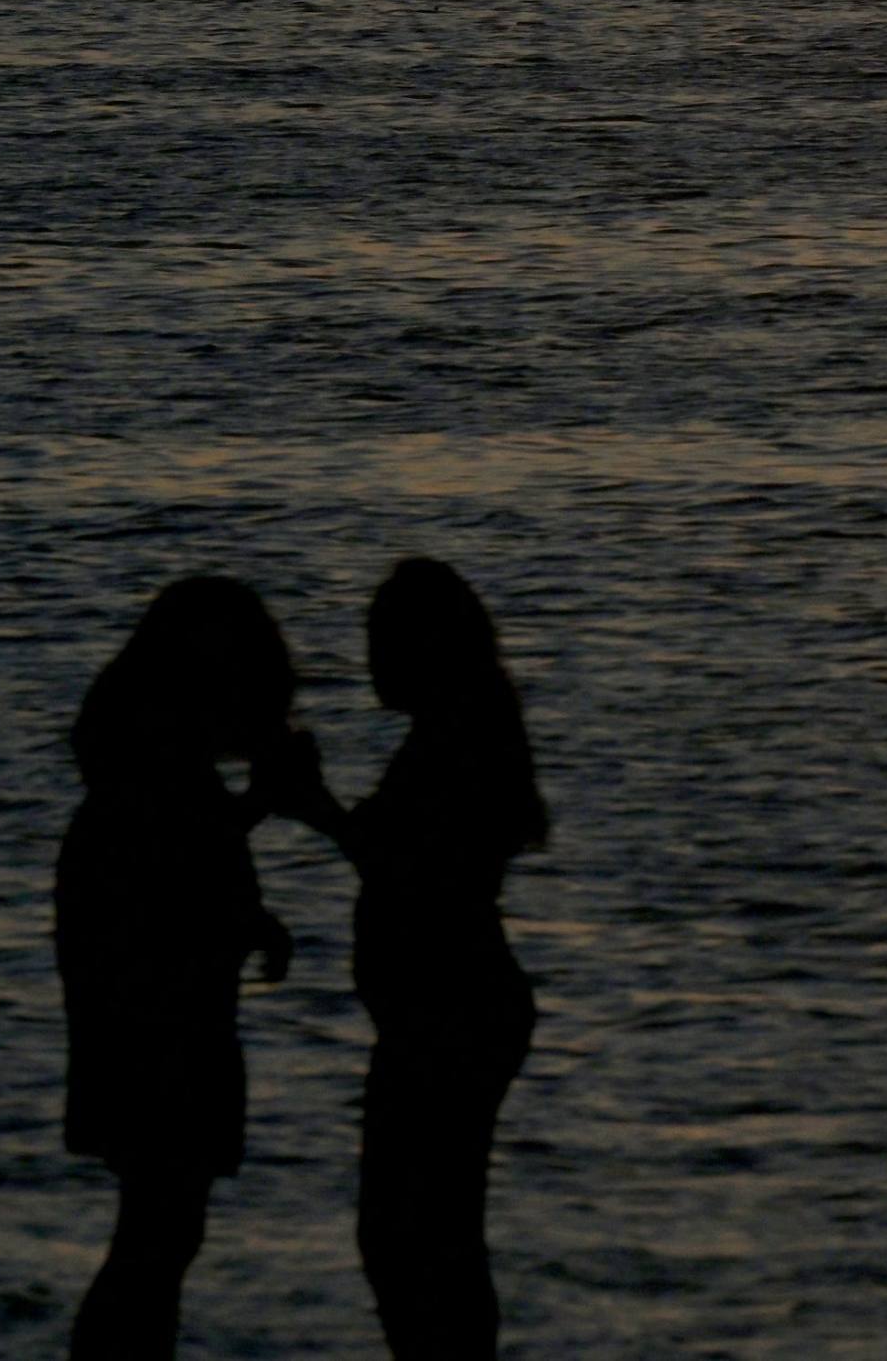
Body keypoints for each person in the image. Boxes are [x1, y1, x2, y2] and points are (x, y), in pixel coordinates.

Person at [263, 560, 550, 1360]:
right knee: (425, 1236)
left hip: (448, 1014)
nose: (369, 662)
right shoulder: (457, 733)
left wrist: (316, 805)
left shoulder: (454, 743)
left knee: (412, 1237)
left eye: (381, 643)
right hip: (446, 1009)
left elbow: (409, 870)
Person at [55, 574, 300, 1361]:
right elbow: (178, 879)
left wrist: (249, 903)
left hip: (151, 1019)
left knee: (160, 1227)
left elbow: (187, 859)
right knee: (160, 1230)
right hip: (163, 1028)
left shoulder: (143, 769)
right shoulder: (157, 775)